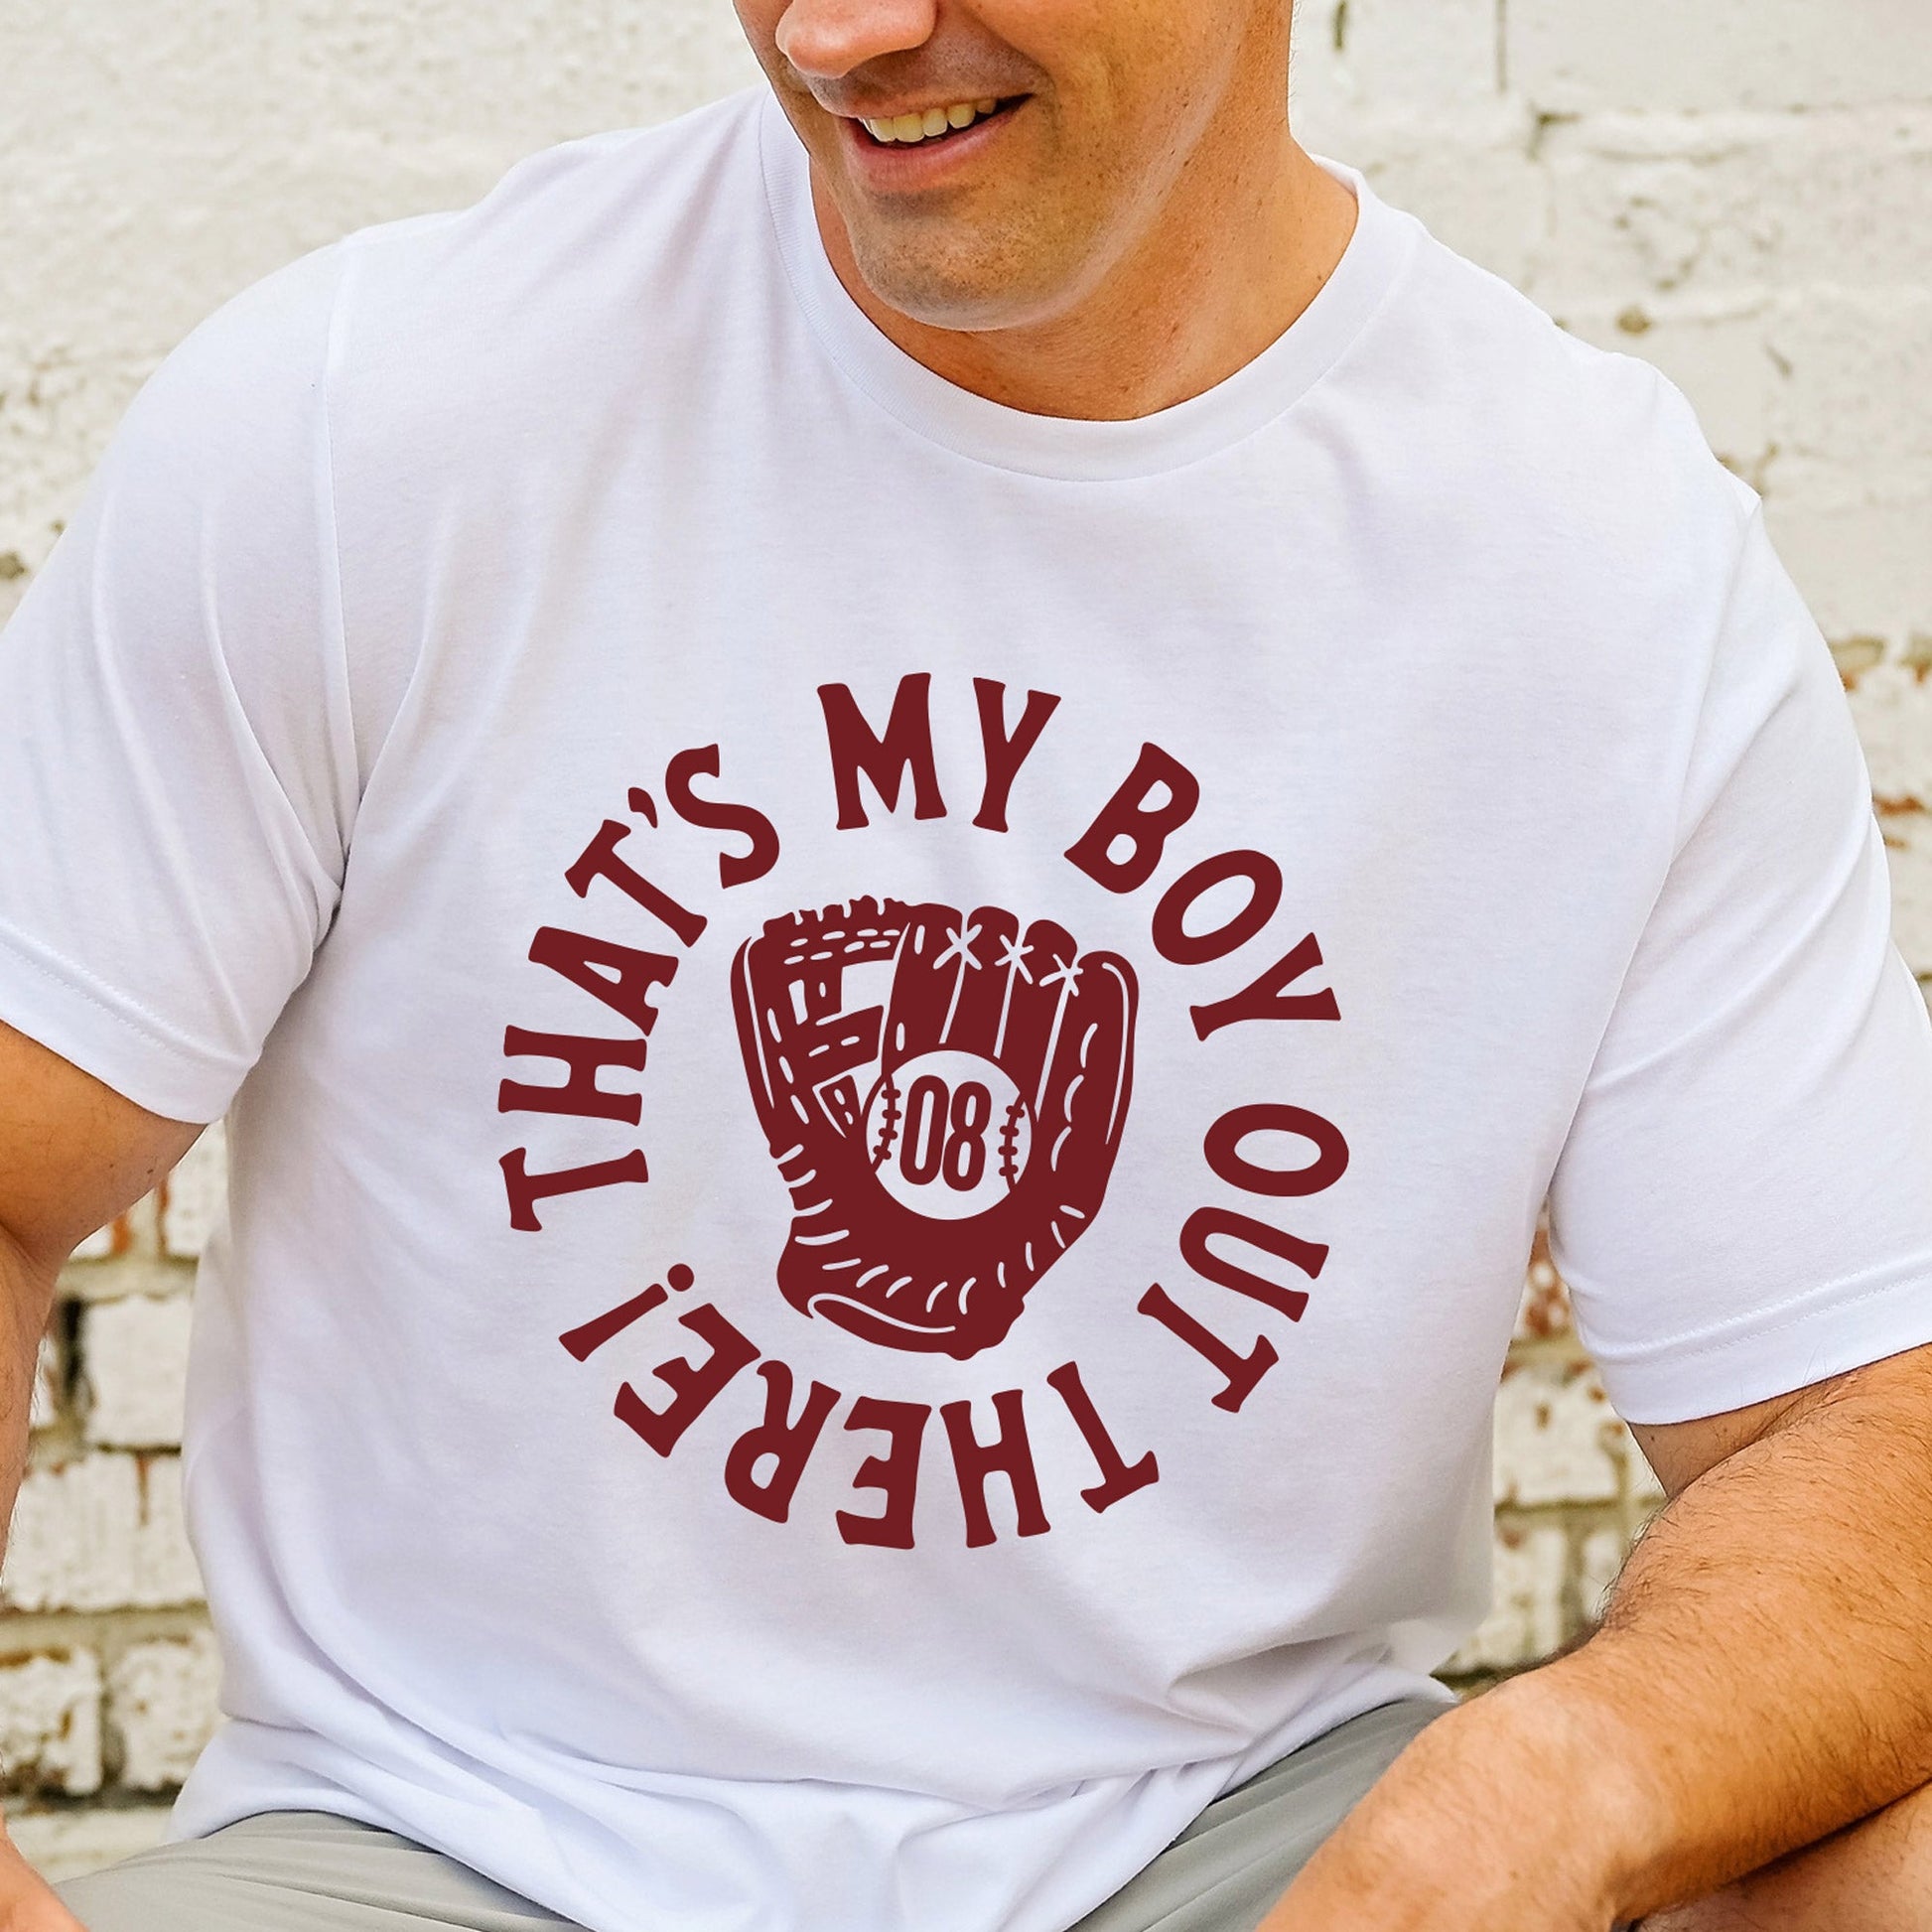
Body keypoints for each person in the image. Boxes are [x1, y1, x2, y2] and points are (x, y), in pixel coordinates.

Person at [1, 0, 1929, 1926]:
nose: (838, 32)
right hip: (456, 1846)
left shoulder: (1591, 556)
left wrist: (1543, 1785)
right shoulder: (382, 416)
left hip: (1233, 1836)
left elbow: (1858, 1419)